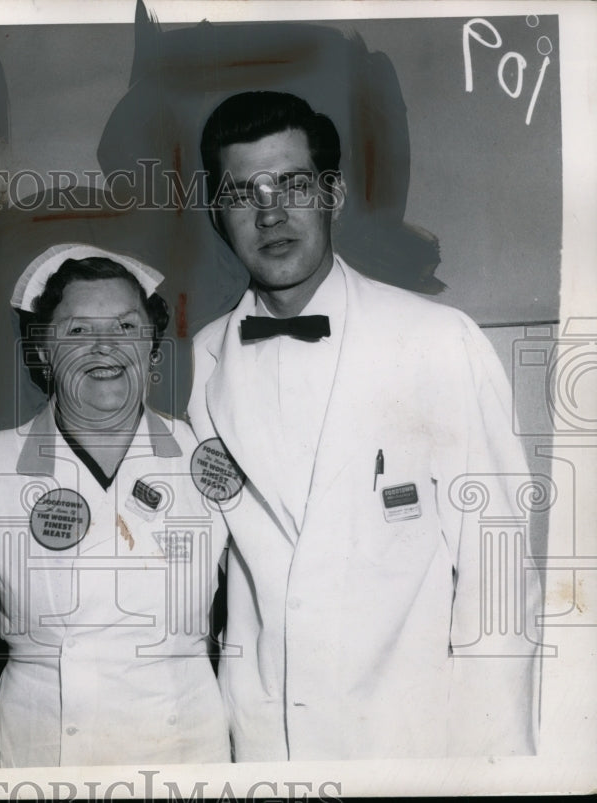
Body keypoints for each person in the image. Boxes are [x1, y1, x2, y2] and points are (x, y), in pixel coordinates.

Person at [187, 91, 542, 760]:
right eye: (243, 192)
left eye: (293, 183)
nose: (271, 212)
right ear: (217, 213)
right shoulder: (203, 363)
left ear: (334, 193)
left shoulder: (439, 341)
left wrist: (495, 767)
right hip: (265, 750)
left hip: (411, 748)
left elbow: (498, 576)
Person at [0, 243, 230, 766]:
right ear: (42, 350)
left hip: (183, 758)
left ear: (152, 346)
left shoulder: (207, 460)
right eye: (77, 331)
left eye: (125, 327)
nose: (104, 348)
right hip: (41, 760)